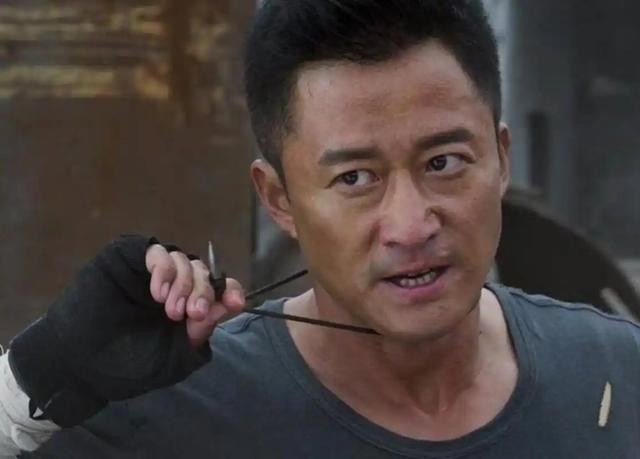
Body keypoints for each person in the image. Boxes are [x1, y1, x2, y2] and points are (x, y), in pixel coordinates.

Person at [1, 0, 639, 457]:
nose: (410, 226)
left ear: (500, 159)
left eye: (444, 162)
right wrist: (37, 373)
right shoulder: (166, 410)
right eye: (355, 177)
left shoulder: (616, 376)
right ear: (279, 199)